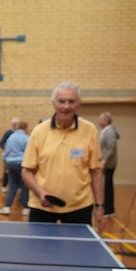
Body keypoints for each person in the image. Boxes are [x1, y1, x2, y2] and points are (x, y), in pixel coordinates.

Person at [21, 81, 105, 232]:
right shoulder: (39, 131)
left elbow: (96, 172)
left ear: (78, 104)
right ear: (53, 103)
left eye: (71, 101)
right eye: (61, 101)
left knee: (79, 254)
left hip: (79, 206)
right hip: (42, 207)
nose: (66, 106)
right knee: (39, 254)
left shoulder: (90, 130)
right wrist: (41, 193)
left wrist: (99, 206)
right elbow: (26, 171)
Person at [0, 120, 29, 215]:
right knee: (24, 186)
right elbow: (29, 153)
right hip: (21, 163)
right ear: (25, 128)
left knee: (12, 186)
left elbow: (5, 153)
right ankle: (26, 208)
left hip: (10, 164)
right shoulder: (26, 138)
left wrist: (5, 164)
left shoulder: (10, 137)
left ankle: (7, 207)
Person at [98, 112, 119, 217]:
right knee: (105, 185)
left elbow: (111, 147)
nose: (99, 121)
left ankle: (108, 209)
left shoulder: (109, 132)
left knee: (107, 186)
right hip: (105, 162)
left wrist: (104, 161)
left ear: (105, 121)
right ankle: (106, 207)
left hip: (108, 164)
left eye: (100, 119)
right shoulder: (105, 131)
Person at [0, 117, 19, 193]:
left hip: (18, 157)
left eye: (17, 124)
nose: (15, 125)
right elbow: (1, 143)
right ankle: (4, 185)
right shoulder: (8, 133)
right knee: (6, 171)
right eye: (14, 124)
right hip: (8, 156)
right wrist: (7, 148)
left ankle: (18, 187)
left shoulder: (20, 133)